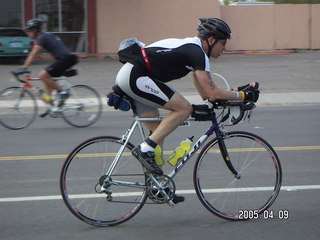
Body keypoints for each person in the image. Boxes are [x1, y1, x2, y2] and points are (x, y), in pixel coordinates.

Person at [115, 18, 259, 203]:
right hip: (136, 76)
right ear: (211, 40)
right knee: (183, 109)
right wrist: (243, 96)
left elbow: (206, 94)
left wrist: (233, 93)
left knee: (157, 134)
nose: (225, 48)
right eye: (223, 43)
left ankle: (157, 187)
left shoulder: (194, 52)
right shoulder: (197, 52)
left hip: (132, 76)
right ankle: (143, 150)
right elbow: (212, 93)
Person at [18, 19, 78, 113]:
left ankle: (63, 92)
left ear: (35, 30)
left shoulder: (42, 37)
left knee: (42, 75)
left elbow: (33, 54)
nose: (28, 33)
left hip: (66, 59)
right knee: (47, 82)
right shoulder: (44, 36)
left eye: (29, 31)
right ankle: (51, 106)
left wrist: (24, 67)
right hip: (65, 59)